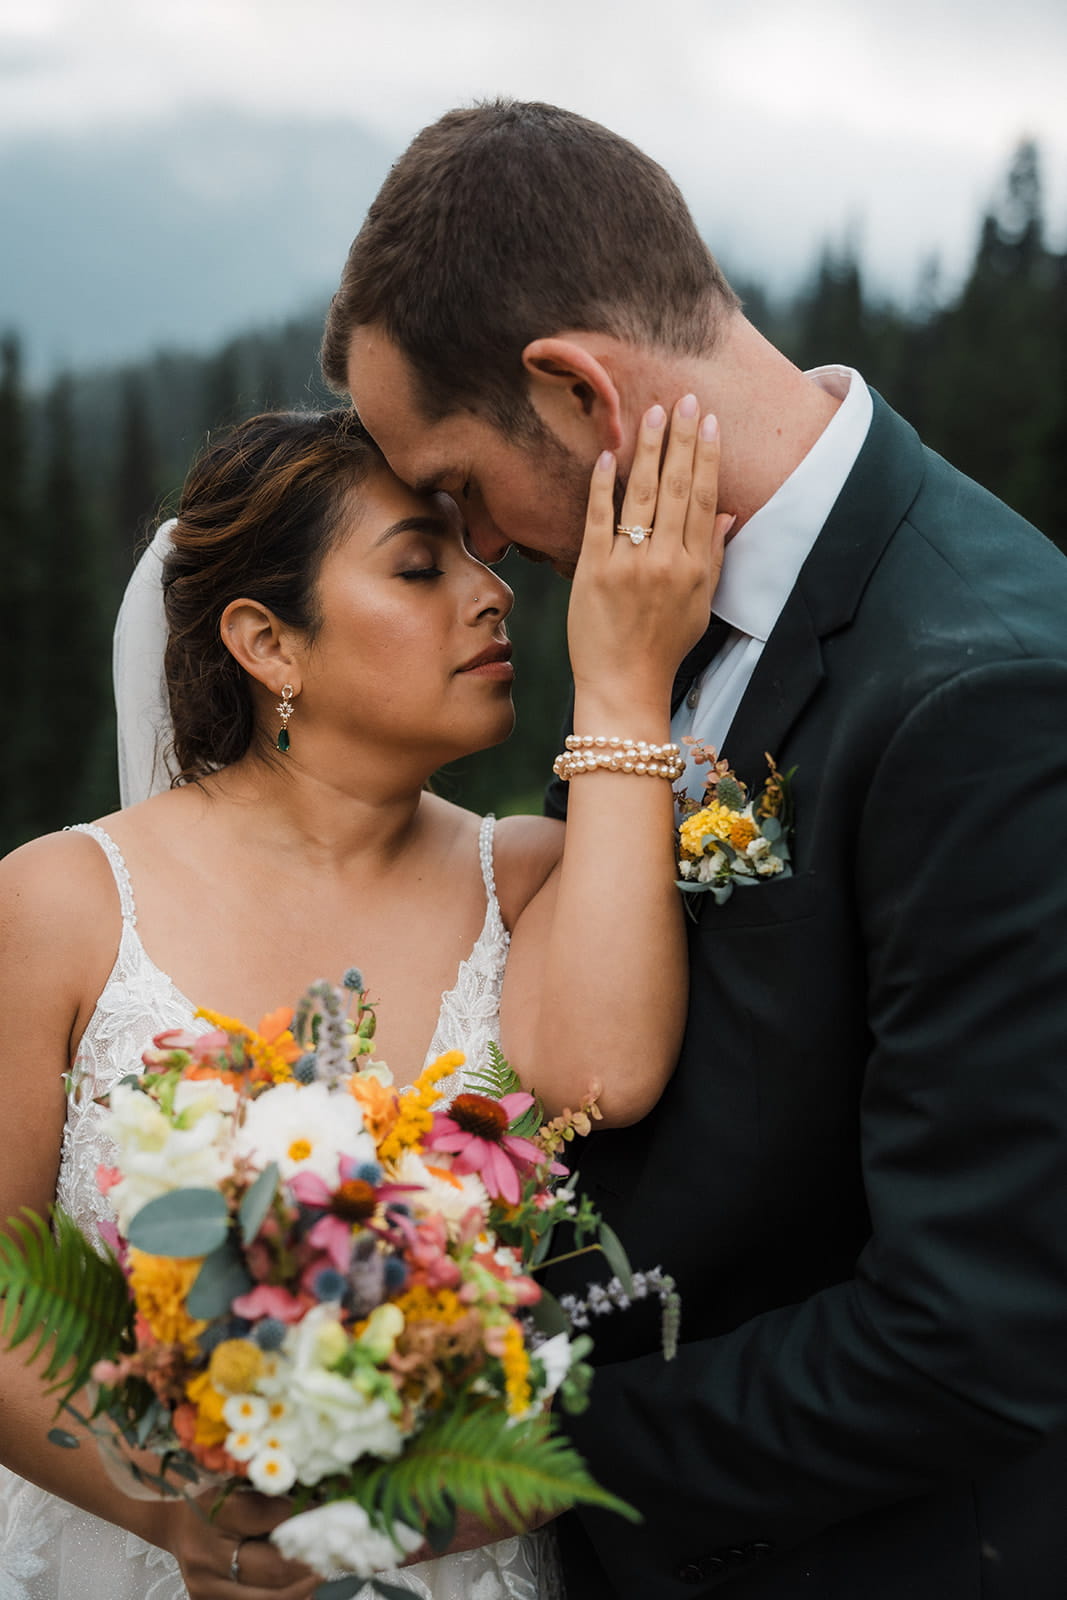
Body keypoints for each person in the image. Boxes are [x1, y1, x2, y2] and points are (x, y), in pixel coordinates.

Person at [320, 100, 1067, 1598]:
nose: (481, 558)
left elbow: (966, 1335)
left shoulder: (981, 692)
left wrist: (500, 1459)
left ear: (577, 392)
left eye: (462, 491)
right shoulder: (644, 620)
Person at [0, 405, 731, 1600]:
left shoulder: (540, 874)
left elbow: (608, 1077)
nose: (492, 594)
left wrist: (622, 677)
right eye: (418, 564)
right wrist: (176, 1510)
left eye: (483, 558)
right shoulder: (61, 902)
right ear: (266, 643)